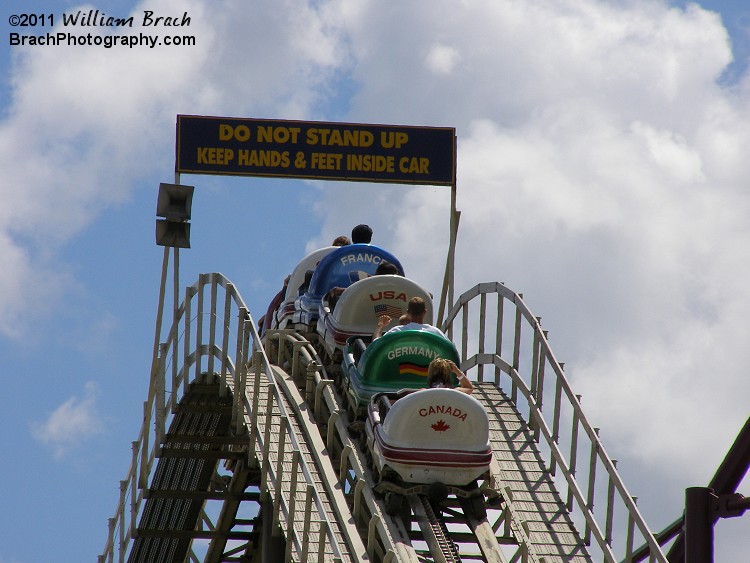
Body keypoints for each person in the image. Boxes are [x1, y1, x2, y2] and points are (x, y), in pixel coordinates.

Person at [373, 296, 445, 339]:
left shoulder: (397, 331)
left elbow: (376, 344)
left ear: (407, 312)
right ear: (424, 312)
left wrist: (381, 324)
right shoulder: (435, 332)